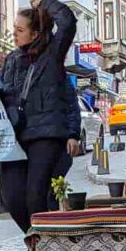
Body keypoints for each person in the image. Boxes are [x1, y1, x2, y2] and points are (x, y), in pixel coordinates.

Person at [0, 0, 77, 251]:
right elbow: (7, 94)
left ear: (35, 32)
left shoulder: (53, 53)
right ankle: (39, 242)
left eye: (20, 30)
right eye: (14, 30)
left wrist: (45, 2)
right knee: (13, 197)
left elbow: (67, 21)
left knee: (36, 195)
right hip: (16, 136)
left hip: (46, 133)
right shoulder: (11, 59)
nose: (14, 35)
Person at [47, 80, 83, 211]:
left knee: (52, 189)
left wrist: (73, 136)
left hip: (58, 142)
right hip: (32, 142)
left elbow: (72, 107)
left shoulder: (60, 77)